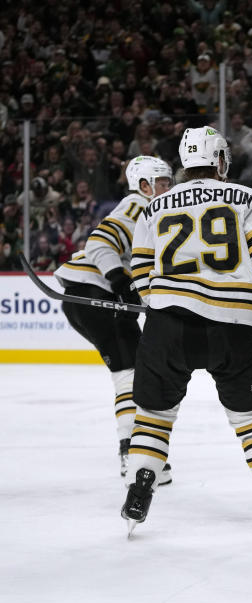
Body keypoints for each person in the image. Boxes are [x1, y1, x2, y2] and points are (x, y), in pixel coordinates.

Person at [122, 127, 252, 537]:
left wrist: (164, 305)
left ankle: (140, 487)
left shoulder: (153, 207)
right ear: (220, 160)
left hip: (168, 326)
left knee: (153, 415)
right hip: (232, 326)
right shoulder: (249, 198)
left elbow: (141, 277)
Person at [53, 156, 174, 481]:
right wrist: (120, 281)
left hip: (94, 299)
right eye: (162, 182)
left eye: (168, 181)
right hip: (94, 294)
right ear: (144, 186)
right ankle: (133, 453)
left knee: (136, 374)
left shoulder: (159, 213)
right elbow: (99, 242)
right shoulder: (138, 204)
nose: (168, 188)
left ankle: (141, 453)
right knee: (130, 374)